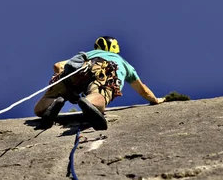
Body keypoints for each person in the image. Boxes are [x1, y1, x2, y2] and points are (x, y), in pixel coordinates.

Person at [34, 36, 166, 130]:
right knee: (99, 91)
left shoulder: (87, 54)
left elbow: (57, 65)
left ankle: (54, 101)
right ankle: (89, 103)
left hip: (79, 69)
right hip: (105, 69)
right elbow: (142, 89)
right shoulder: (123, 63)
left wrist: (68, 86)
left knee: (40, 109)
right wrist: (155, 100)